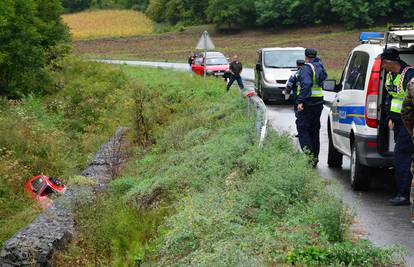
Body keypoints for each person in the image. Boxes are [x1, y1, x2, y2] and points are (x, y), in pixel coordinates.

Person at [382, 48, 414, 206]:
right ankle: (403, 192)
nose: (382, 66)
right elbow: (391, 97)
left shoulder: (409, 75)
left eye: (383, 63)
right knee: (401, 156)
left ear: (389, 62)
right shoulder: (390, 75)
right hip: (397, 122)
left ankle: (403, 194)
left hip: (409, 124)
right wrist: (390, 118)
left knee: (402, 157)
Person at [296, 48, 327, 167]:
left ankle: (309, 157)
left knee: (303, 129)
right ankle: (315, 157)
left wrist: (300, 101)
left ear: (305, 56)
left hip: (307, 103)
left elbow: (307, 84)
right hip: (318, 102)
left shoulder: (306, 68)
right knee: (314, 131)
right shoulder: (319, 66)